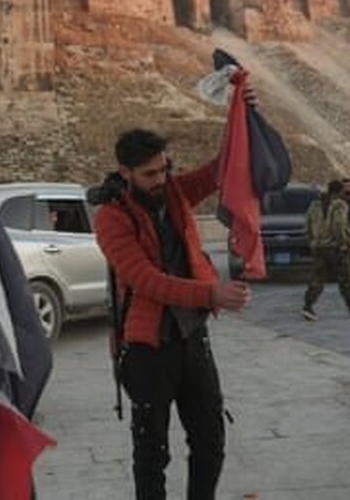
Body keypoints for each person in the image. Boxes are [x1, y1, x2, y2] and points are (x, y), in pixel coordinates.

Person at [94, 128, 251, 500]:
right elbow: (147, 281)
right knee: (152, 453)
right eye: (149, 174)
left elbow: (221, 168)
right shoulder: (110, 218)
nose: (160, 179)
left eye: (164, 169)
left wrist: (242, 109)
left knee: (210, 441)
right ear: (125, 172)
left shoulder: (175, 191)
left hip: (193, 337)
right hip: (148, 347)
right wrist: (211, 291)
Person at [302, 180, 350, 321]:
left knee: (317, 278)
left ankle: (308, 305)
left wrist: (312, 242)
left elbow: (306, 225)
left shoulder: (315, 205)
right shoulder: (339, 205)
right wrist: (343, 242)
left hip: (319, 247)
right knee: (345, 278)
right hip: (335, 248)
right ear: (339, 192)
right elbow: (339, 224)